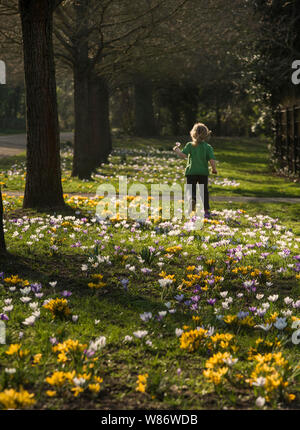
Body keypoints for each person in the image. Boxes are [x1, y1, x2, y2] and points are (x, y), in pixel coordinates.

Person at [173, 122, 217, 219]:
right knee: (204, 192)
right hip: (203, 173)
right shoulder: (208, 147)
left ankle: (192, 201)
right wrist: (214, 169)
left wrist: (177, 150)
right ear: (206, 135)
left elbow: (183, 155)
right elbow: (212, 160)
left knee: (190, 190)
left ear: (193, 133)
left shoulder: (190, 145)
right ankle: (206, 211)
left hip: (191, 172)